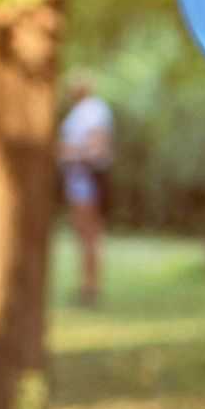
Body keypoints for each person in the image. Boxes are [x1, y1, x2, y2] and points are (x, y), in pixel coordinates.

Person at [56, 74, 115, 307]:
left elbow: (97, 150)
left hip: (88, 180)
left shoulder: (94, 111)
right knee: (83, 234)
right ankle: (87, 284)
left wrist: (67, 154)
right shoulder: (81, 111)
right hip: (77, 180)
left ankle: (91, 287)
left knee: (90, 234)